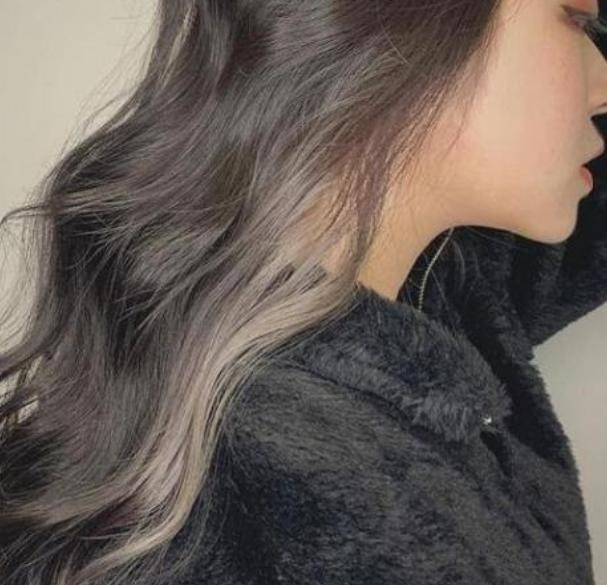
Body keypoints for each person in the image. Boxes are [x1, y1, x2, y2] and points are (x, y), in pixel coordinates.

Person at [1, 0, 607, 583]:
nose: (603, 81)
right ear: (412, 25)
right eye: (577, 21)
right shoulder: (308, 506)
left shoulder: (435, 291)